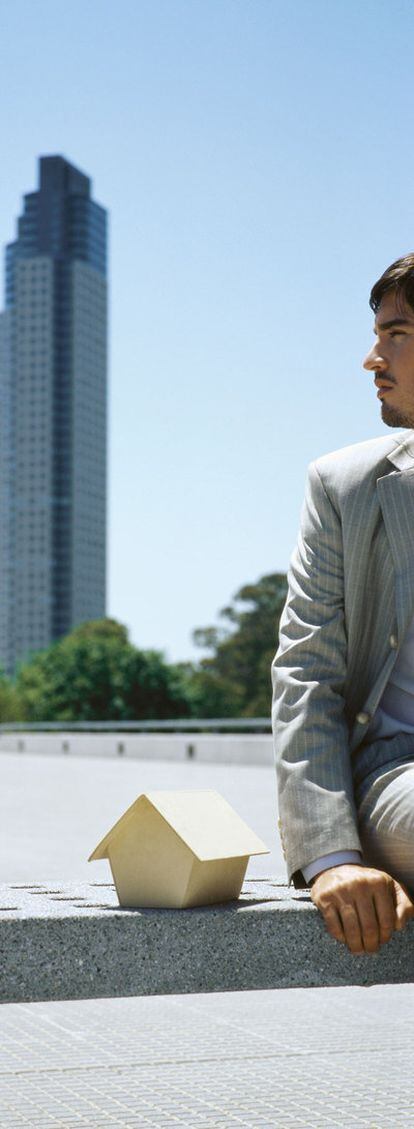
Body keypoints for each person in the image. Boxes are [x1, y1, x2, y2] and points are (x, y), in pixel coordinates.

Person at [272, 253, 414, 956]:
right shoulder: (346, 486)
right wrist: (333, 855)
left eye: (397, 334)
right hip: (399, 775)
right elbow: (306, 672)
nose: (372, 358)